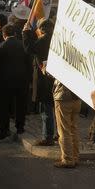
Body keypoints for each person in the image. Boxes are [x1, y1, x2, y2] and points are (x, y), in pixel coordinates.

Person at [23, 18, 56, 146]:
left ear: (41, 29)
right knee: (52, 109)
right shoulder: (53, 38)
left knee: (46, 110)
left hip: (45, 81)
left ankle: (47, 136)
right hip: (51, 79)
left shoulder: (44, 39)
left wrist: (25, 33)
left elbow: (29, 49)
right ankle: (53, 134)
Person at [0, 24, 31, 140]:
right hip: (22, 79)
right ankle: (20, 127)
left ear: (4, 35)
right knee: (21, 104)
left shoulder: (1, 46)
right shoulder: (22, 45)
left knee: (4, 106)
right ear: (15, 34)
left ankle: (4, 130)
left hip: (6, 80)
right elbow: (29, 63)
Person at [53, 81, 81, 168]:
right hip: (76, 96)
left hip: (63, 97)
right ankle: (75, 157)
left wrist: (43, 68)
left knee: (64, 130)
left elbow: (50, 72)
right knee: (73, 128)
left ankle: (68, 159)